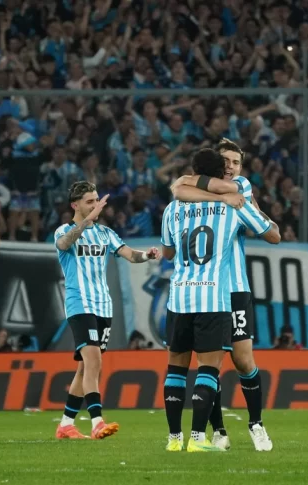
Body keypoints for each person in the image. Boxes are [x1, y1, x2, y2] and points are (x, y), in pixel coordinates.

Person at [160, 148, 280, 453]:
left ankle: (255, 424)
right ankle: (215, 432)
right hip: (213, 293)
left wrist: (253, 206)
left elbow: (178, 191)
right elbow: (273, 235)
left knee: (241, 360)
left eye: (236, 162)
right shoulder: (229, 201)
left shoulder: (238, 189)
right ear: (216, 169)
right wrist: (229, 200)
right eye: (225, 162)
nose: (231, 167)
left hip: (226, 290)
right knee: (209, 365)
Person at [53, 181, 161, 440]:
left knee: (84, 368)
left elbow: (129, 255)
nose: (95, 206)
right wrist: (85, 222)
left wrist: (147, 255)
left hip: (103, 306)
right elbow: (64, 245)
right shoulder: (65, 230)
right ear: (75, 205)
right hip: (80, 304)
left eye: (96, 200)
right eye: (89, 202)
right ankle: (97, 422)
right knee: (94, 362)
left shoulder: (105, 233)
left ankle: (66, 424)